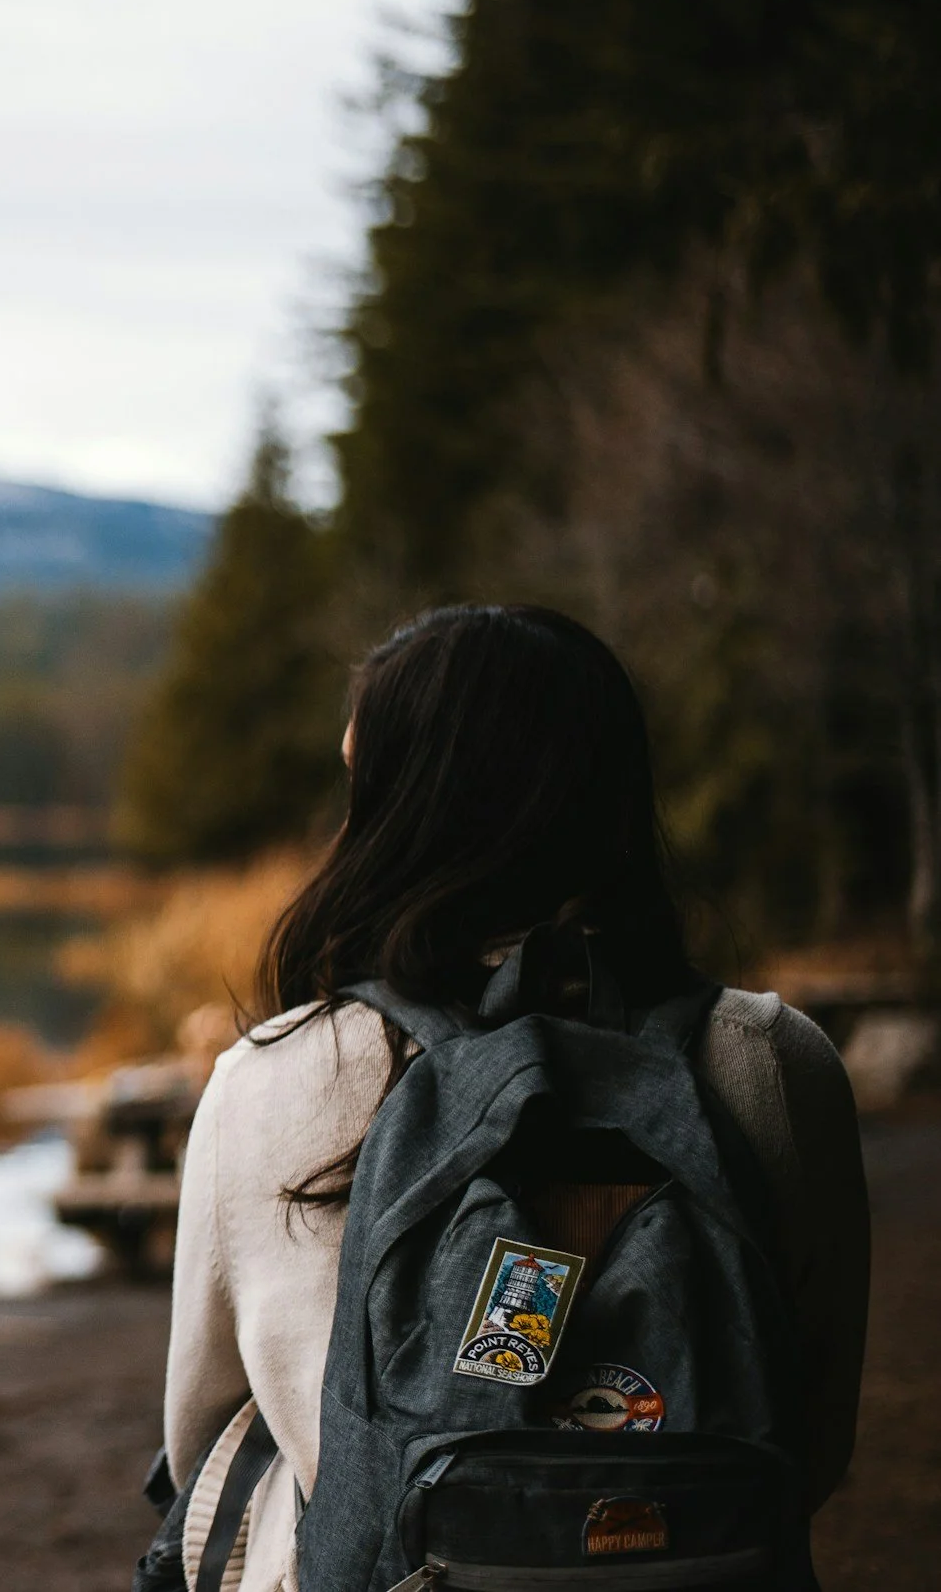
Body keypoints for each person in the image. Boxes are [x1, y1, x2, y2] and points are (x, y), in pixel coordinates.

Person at [159, 605, 868, 1592]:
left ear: (397, 808)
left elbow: (199, 1436)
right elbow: (811, 1437)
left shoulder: (271, 1076)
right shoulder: (776, 1064)